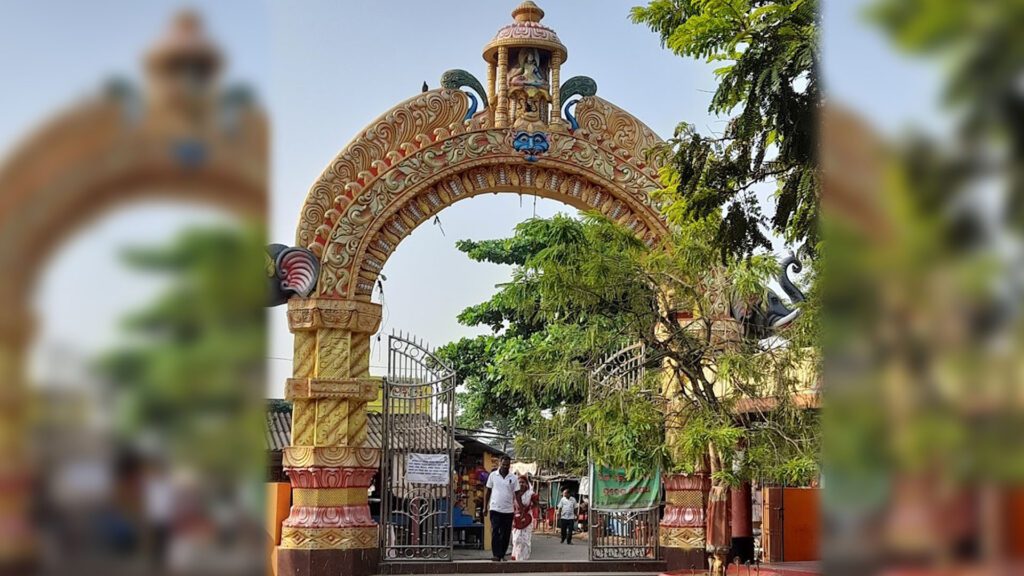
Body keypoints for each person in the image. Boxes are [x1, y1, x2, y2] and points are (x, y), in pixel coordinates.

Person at [484, 456, 517, 561]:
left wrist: (520, 509)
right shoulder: (493, 476)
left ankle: (502, 554)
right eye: (503, 464)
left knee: (506, 533)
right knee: (495, 531)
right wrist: (485, 507)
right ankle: (496, 555)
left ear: (510, 465)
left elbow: (517, 494)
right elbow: (488, 492)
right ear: (500, 464)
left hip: (508, 510)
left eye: (507, 465)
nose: (505, 466)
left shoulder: (513, 478)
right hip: (495, 509)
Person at [511, 475, 538, 561]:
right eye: (519, 482)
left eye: (523, 482)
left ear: (527, 484)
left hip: (527, 519)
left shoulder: (531, 494)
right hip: (516, 519)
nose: (521, 484)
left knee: (525, 540)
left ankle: (523, 560)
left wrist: (528, 508)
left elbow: (536, 505)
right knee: (516, 539)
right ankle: (517, 558)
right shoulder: (514, 494)